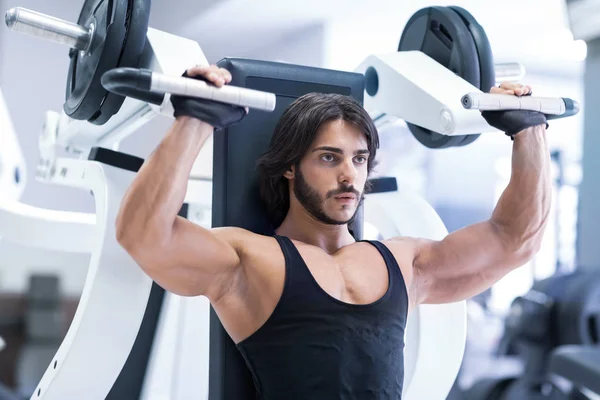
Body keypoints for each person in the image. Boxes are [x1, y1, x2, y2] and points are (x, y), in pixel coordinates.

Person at [115, 64, 551, 399]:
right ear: (289, 166)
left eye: (359, 159)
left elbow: (516, 239)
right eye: (329, 158)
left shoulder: (401, 262)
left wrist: (528, 130)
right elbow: (143, 235)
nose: (349, 176)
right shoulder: (250, 259)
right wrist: (196, 117)